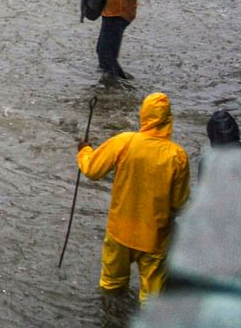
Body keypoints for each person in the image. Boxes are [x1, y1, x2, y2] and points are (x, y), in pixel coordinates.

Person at [77, 92, 190, 305]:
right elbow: (179, 202)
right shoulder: (178, 156)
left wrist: (84, 151)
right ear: (169, 119)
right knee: (151, 299)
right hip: (154, 238)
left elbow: (92, 170)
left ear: (143, 115)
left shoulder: (124, 142)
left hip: (119, 231)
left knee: (111, 285)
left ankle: (109, 322)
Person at [95, 0, 139, 82]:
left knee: (106, 54)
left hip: (117, 9)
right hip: (113, 7)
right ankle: (111, 85)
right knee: (104, 52)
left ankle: (119, 83)